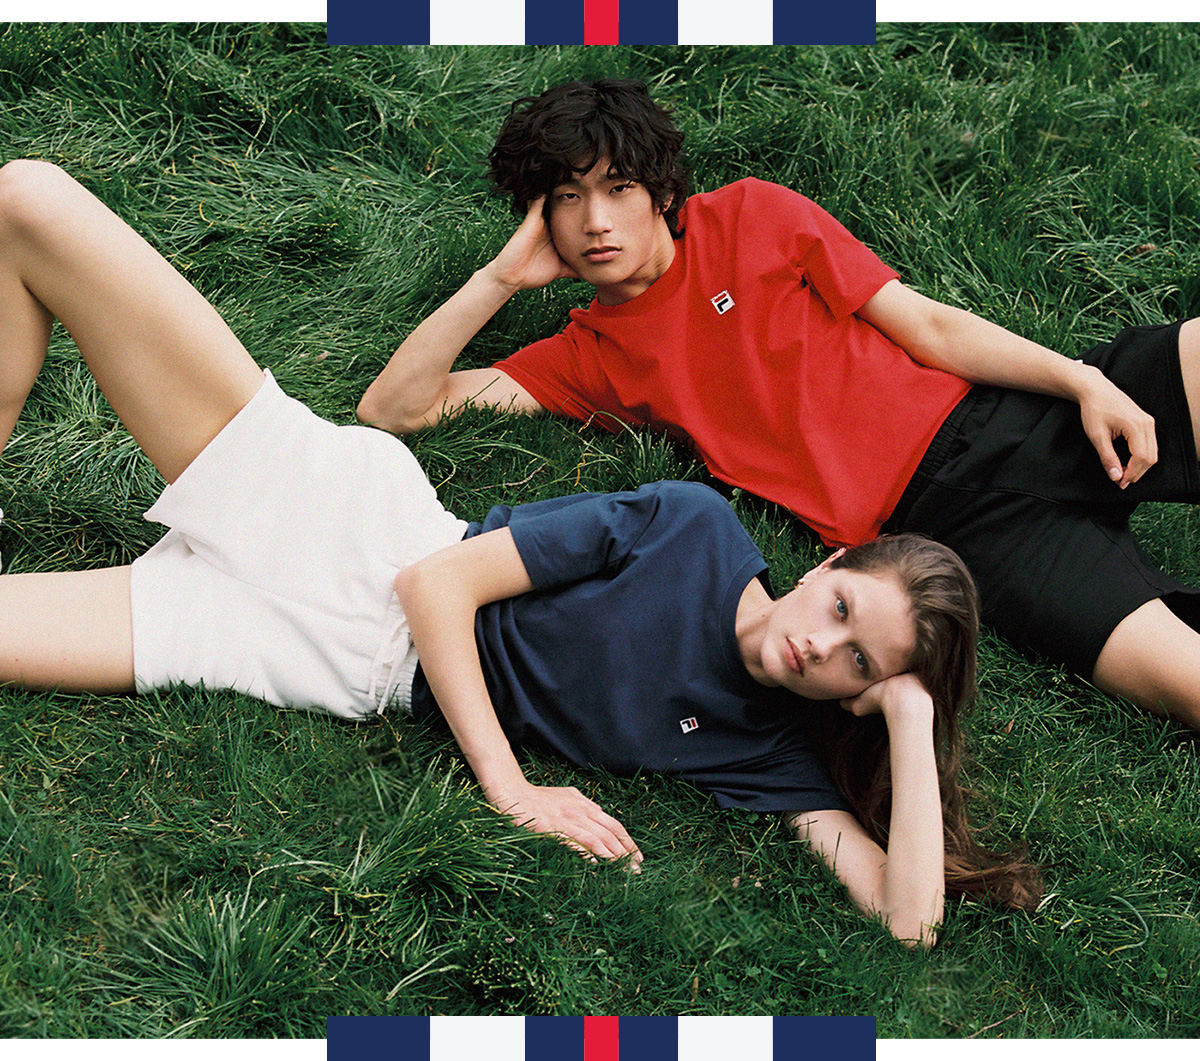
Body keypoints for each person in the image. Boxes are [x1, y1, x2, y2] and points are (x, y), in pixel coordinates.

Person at [0, 159, 1038, 948]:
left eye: (861, 663)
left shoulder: (773, 753)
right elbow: (435, 580)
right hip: (344, 521)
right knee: (32, 199)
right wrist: (512, 790)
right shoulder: (691, 530)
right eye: (845, 612)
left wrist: (907, 714)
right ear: (828, 567)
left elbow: (907, 921)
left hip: (318, 656)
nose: (822, 647)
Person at [357, 78, 1200, 732]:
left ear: (658, 188)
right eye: (566, 200)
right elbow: (396, 409)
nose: (596, 222)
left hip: (1002, 414)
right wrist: (499, 278)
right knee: (1188, 686)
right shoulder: (587, 358)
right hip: (957, 534)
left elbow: (930, 327)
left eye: (615, 187)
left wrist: (1082, 380)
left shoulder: (752, 215)